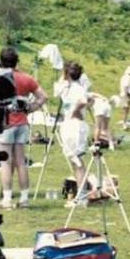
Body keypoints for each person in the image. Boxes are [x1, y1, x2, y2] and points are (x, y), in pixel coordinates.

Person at [0, 47, 47, 210]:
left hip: (6, 122)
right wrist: (31, 108)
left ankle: (7, 199)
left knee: (5, 162)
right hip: (22, 122)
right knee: (21, 162)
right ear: (17, 61)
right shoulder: (26, 78)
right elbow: (43, 96)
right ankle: (24, 199)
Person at [55, 63, 90, 206]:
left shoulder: (78, 89)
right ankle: (81, 193)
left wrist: (75, 111)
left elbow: (84, 101)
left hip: (75, 124)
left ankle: (82, 195)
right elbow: (57, 91)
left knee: (76, 159)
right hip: (68, 124)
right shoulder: (66, 87)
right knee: (73, 159)